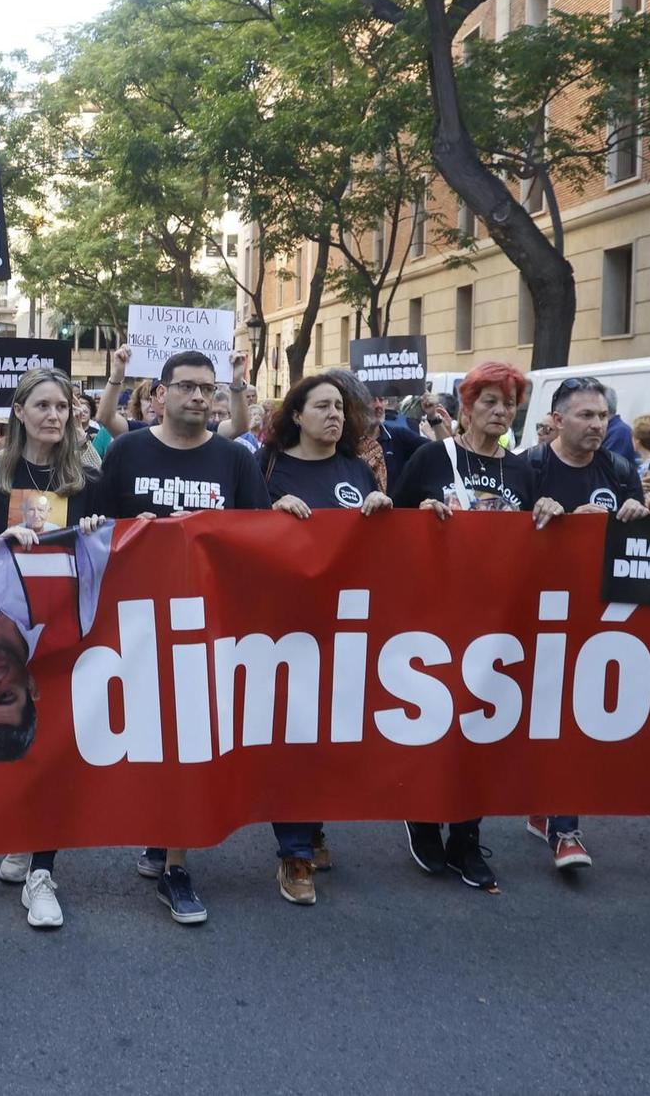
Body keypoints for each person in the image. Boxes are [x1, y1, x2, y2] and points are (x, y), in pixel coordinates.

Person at [97, 350, 270, 924]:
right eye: (187, 386)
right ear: (162, 393)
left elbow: (258, 536)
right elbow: (98, 532)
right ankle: (159, 831)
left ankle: (176, 865)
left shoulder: (235, 458)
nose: (198, 397)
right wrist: (128, 532)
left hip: (206, 624)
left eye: (207, 388)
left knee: (190, 737)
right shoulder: (126, 452)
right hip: (137, 621)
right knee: (150, 735)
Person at [0, 368, 100, 929]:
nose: (53, 415)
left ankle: (43, 871)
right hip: (7, 630)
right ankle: (24, 836)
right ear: (19, 412)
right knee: (20, 746)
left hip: (64, 630)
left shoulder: (86, 478)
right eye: (42, 405)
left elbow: (111, 548)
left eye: (61, 406)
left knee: (55, 746)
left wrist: (97, 529)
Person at [390, 360, 536, 890]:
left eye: (509, 404)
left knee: (481, 728)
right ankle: (424, 816)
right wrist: (420, 514)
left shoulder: (523, 470)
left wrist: (550, 509)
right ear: (466, 409)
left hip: (495, 623)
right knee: (434, 723)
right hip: (432, 620)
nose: (500, 412)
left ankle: (467, 837)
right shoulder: (432, 457)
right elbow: (390, 527)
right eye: (489, 402)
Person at [257, 371, 392, 906]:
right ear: (296, 415)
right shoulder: (268, 466)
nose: (334, 414)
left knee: (327, 732)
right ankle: (294, 851)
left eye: (339, 406)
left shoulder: (357, 469)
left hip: (345, 624)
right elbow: (240, 529)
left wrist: (382, 511)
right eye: (322, 406)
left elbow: (380, 548)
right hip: (283, 625)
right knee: (292, 732)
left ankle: (311, 825)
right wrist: (270, 514)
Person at [519, 375, 650, 872]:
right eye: (586, 415)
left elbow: (637, 544)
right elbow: (501, 538)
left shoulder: (619, 469)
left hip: (597, 616)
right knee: (536, 716)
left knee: (574, 716)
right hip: (535, 613)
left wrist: (637, 512)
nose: (598, 425)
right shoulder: (530, 466)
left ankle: (565, 827)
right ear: (557, 420)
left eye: (603, 417)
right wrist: (545, 515)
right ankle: (542, 806)